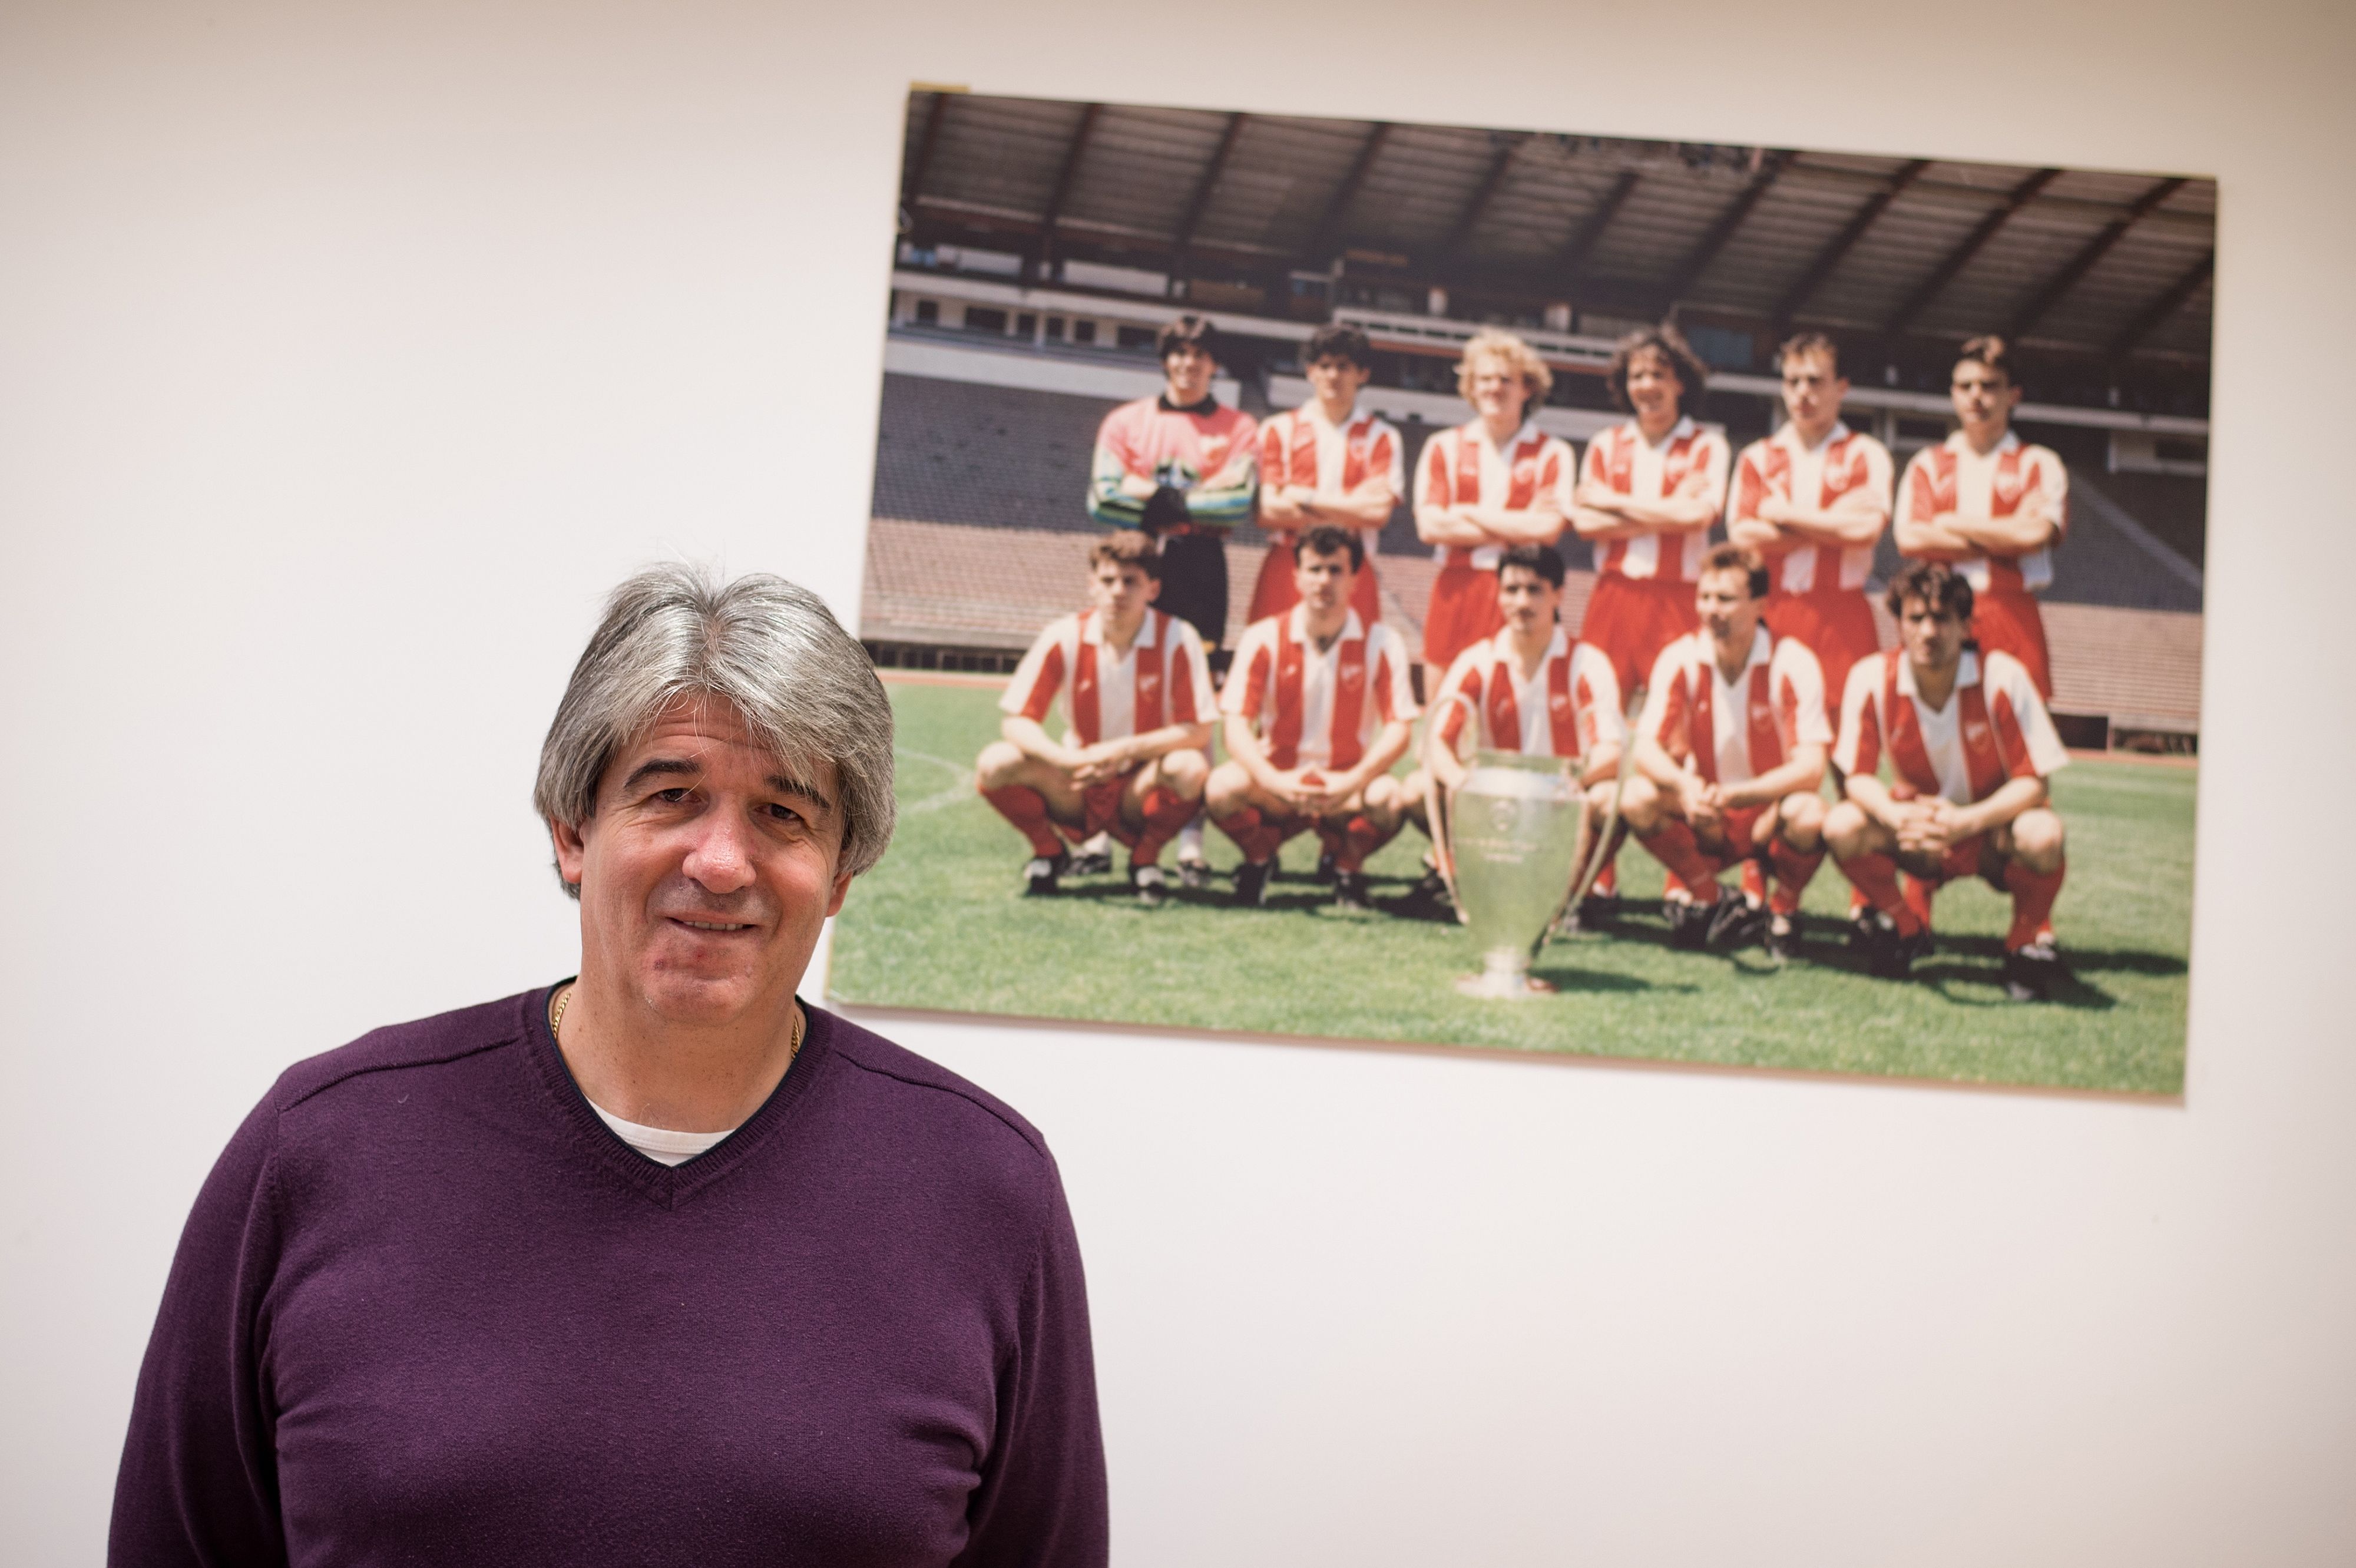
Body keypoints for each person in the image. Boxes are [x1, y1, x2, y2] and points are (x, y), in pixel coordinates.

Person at [111, 565, 1108, 1565]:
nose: (721, 860)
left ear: (842, 871)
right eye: (672, 794)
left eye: (784, 813)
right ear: (572, 829)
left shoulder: (985, 1189)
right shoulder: (322, 1145)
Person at [1825, 560, 2072, 998]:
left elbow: (2036, 783)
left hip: (1991, 829)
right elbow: (1857, 777)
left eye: (1941, 618)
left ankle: (2021, 945)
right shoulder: (1870, 677)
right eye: (1915, 618)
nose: (1928, 631)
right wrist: (1892, 814)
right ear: (1899, 624)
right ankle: (1905, 927)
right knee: (1842, 825)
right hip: (1919, 833)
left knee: (2044, 834)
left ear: (1965, 625)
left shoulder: (2004, 676)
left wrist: (1967, 821)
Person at [1569, 323, 1730, 912]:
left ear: (1680, 382)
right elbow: (1585, 522)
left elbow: (1698, 515)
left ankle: (1680, 882)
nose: (1647, 386)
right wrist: (1659, 510)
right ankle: (1596, 877)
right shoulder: (1607, 443)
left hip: (1678, 596)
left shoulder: (1707, 445)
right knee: (1601, 735)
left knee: (1680, 738)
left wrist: (1617, 505)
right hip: (1614, 596)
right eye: (1636, 375)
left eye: (1658, 375)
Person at [978, 530, 1215, 905]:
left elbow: (1198, 731)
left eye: (1130, 581)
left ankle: (1145, 859)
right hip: (1079, 781)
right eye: (1108, 580)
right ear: (1092, 585)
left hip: (1138, 784)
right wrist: (1065, 760)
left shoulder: (1179, 638)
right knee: (996, 762)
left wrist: (1124, 750)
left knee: (1189, 767)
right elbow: (1016, 721)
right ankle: (1048, 852)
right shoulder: (1063, 635)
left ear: (1152, 589)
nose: (1118, 591)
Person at [1620, 545, 1833, 959]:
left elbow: (1811, 767)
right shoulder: (1681, 657)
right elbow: (1644, 749)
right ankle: (1711, 895)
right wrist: (1685, 786)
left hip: (1764, 813)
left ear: (1759, 605)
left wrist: (1741, 795)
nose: (1711, 609)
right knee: (1636, 797)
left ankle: (1783, 910)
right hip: (1708, 811)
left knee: (1809, 813)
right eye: (1705, 597)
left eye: (1726, 599)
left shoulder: (1793, 661)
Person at [1403, 542, 1625, 909]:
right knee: (1415, 789)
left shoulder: (1587, 662)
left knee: (1614, 799)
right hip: (1497, 801)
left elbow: (1611, 751)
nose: (1522, 602)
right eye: (1511, 590)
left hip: (1561, 798)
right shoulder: (1479, 659)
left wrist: (1567, 783)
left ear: (1558, 595)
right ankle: (1465, 874)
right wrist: (1464, 784)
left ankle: (1573, 890)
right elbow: (1434, 742)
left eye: (1534, 590)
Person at [1208, 525, 1418, 911]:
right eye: (1315, 569)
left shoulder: (1383, 642)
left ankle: (1347, 867)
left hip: (1344, 781)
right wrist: (1274, 780)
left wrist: (1351, 780)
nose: (1325, 581)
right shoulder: (1262, 637)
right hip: (1278, 780)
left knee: (1389, 799)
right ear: (1297, 577)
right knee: (1221, 788)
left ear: (1356, 578)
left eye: (1336, 570)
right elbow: (1235, 725)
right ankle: (1260, 858)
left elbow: (1400, 728)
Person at [1892, 334, 2067, 699]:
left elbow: (2035, 536)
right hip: (1939, 615)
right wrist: (2007, 534)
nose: (1976, 396)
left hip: (2011, 611)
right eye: (1965, 386)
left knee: (2019, 743)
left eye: (1989, 386)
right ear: (1953, 394)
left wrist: (1950, 523)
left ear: (2012, 395)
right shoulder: (1927, 464)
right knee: (1936, 734)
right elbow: (1910, 539)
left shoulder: (2040, 463)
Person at [1723, 332, 1894, 706]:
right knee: (1768, 728)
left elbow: (1865, 530)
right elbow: (1742, 535)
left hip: (1841, 611)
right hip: (1773, 608)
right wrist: (1834, 524)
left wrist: (1782, 515)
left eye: (1815, 381)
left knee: (1846, 735)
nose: (1803, 392)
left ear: (1841, 387)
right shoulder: (1758, 457)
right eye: (1793, 381)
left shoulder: (1866, 454)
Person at [1085, 312, 1259, 659]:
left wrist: (1145, 490)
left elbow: (1236, 504)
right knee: (1127, 660)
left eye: (1200, 354)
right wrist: (1204, 492)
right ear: (1165, 360)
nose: (1189, 363)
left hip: (1201, 560)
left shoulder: (1240, 427)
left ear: (1214, 364)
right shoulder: (1124, 422)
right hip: (1133, 554)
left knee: (1195, 666)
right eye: (1179, 353)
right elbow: (1103, 499)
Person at [1411, 329, 1573, 678]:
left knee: (1513, 710)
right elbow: (1430, 527)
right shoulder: (1443, 446)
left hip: (1522, 591)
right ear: (1471, 387)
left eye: (1506, 380)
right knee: (1442, 707)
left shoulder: (1552, 452)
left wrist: (1467, 512)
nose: (1494, 388)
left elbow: (1546, 530)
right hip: (1456, 587)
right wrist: (1516, 526)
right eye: (1484, 379)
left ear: (1527, 388)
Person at [1249, 322, 1404, 631]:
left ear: (1363, 375)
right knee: (1275, 663)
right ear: (1311, 372)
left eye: (1344, 367)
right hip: (1287, 562)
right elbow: (1267, 511)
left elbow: (1376, 515)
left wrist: (1301, 497)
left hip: (1352, 565)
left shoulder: (1383, 437)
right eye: (1325, 366)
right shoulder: (1279, 429)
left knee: (1353, 666)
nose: (1333, 376)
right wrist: (1351, 509)